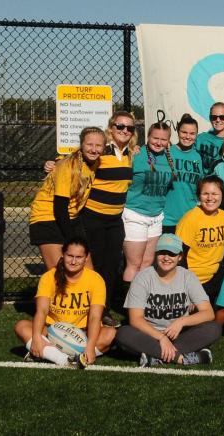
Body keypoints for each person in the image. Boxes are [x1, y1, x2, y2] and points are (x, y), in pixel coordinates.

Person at [115, 234, 220, 367]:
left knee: (214, 328)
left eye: (171, 254)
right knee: (123, 334)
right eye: (162, 253)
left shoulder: (188, 277)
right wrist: (161, 338)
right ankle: (182, 358)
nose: (166, 258)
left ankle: (155, 357)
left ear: (180, 257)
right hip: (149, 334)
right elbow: (136, 319)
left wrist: (182, 321)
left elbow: (208, 313)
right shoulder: (142, 278)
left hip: (179, 334)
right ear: (156, 254)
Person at [14, 237, 115, 367]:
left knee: (110, 334)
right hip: (53, 331)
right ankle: (65, 360)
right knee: (21, 326)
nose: (73, 261)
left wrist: (90, 346)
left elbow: (95, 317)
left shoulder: (96, 280)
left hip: (83, 333)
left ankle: (47, 354)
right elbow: (42, 311)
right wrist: (37, 336)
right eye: (70, 256)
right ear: (63, 254)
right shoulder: (49, 277)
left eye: (78, 257)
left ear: (86, 257)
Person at [79, 111, 136, 323]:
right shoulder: (101, 151)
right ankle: (87, 309)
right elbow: (76, 159)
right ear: (111, 128)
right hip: (93, 218)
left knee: (112, 267)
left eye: (129, 128)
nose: (124, 131)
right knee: (94, 266)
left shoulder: (131, 154)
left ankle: (104, 309)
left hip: (114, 221)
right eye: (120, 126)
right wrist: (53, 163)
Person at [29, 127, 103, 270]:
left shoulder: (95, 162)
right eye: (89, 145)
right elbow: (60, 208)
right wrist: (72, 240)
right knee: (60, 272)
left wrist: (135, 149)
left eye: (98, 145)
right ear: (81, 145)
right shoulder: (67, 166)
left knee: (87, 271)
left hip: (71, 217)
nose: (94, 150)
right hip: (47, 218)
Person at [122, 122, 175, 284]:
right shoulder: (135, 154)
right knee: (134, 264)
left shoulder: (169, 156)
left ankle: (142, 303)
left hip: (156, 216)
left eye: (163, 140)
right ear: (148, 137)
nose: (159, 142)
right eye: (155, 138)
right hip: (135, 214)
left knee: (147, 263)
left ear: (168, 141)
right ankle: (129, 307)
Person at [175, 176, 224, 301]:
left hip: (215, 276)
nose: (210, 198)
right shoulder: (190, 219)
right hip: (192, 278)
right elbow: (179, 256)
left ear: (222, 195)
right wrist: (187, 285)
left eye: (214, 193)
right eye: (205, 193)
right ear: (199, 196)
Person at [162, 114, 204, 235]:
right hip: (168, 219)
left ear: (196, 135)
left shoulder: (198, 157)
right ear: (178, 131)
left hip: (190, 217)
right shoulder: (167, 151)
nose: (187, 136)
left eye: (192, 134)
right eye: (184, 132)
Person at [195, 101, 224, 175]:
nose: (218, 120)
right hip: (203, 183)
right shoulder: (200, 139)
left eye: (222, 117)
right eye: (214, 117)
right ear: (210, 118)